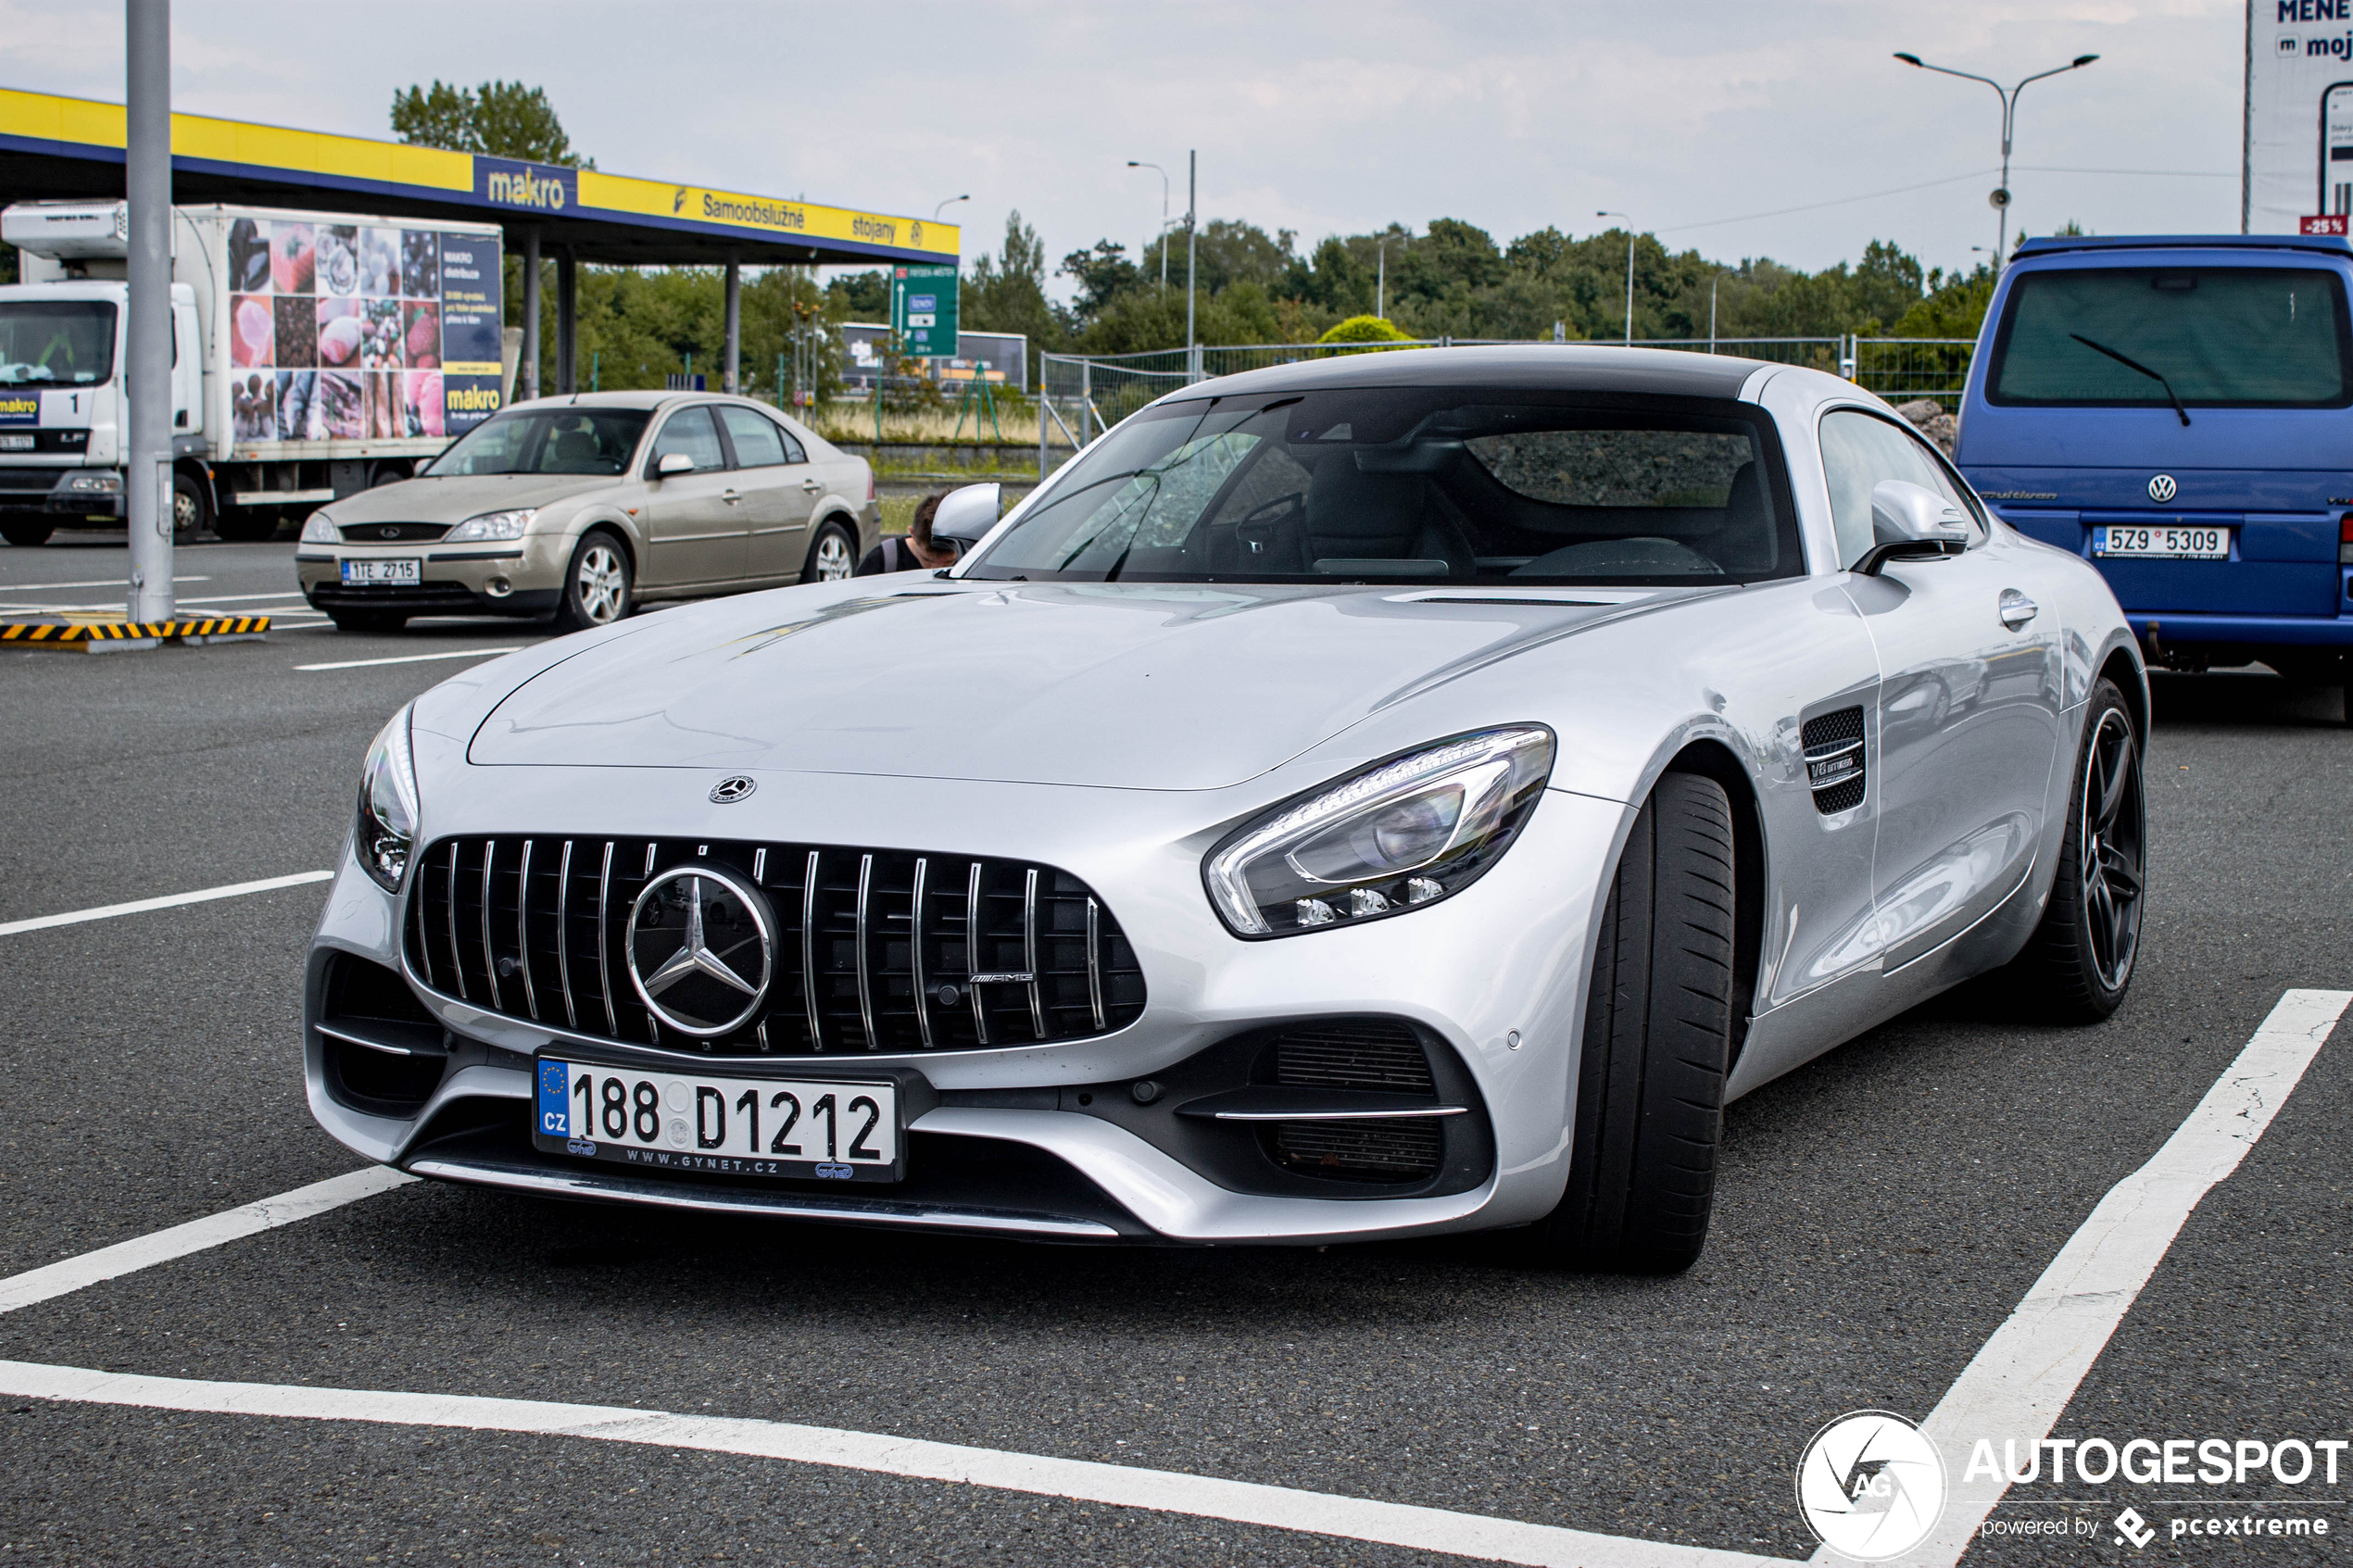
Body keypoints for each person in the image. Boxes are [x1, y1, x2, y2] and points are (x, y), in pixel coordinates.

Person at [858, 491, 959, 575]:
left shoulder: (970, 557)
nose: (936, 570)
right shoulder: (883, 560)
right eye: (928, 560)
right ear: (912, 534)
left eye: (948, 562)